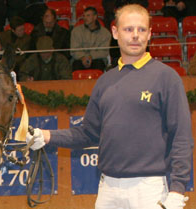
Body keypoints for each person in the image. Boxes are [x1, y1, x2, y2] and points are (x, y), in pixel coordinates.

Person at [26, 4, 194, 209]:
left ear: (150, 34)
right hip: (108, 189)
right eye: (128, 29)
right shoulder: (105, 82)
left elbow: (182, 137)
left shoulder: (167, 78)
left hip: (150, 189)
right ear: (115, 32)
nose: (135, 35)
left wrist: (177, 189)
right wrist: (46, 136)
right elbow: (88, 133)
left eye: (141, 30)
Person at [71, 7, 111, 72]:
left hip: (98, 59)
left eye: (88, 15)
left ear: (95, 17)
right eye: (84, 16)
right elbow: (74, 50)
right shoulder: (76, 31)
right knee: (76, 65)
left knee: (99, 64)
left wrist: (91, 56)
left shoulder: (105, 33)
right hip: (80, 59)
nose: (85, 18)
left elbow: (104, 51)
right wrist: (83, 57)